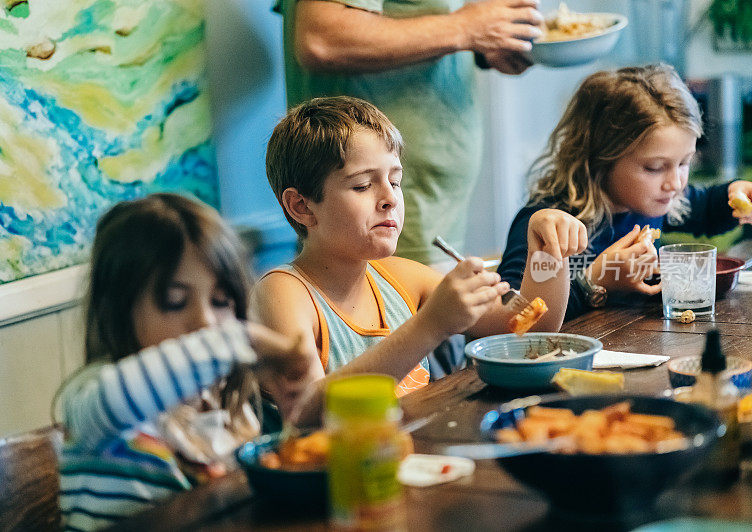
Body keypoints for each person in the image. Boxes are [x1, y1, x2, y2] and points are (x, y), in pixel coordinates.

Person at [251, 96, 585, 421]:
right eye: (363, 186)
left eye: (394, 181)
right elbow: (305, 412)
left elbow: (528, 326)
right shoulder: (283, 294)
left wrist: (545, 250)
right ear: (301, 206)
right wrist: (430, 326)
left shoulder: (401, 278)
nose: (389, 199)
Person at [55, 193, 310, 531]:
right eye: (174, 302)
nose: (205, 322)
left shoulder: (224, 405)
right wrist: (247, 340)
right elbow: (120, 397)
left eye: (221, 301)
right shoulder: (94, 399)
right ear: (118, 311)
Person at [274, 0, 543, 266]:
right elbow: (321, 38)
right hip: (381, 208)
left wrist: (485, 46)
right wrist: (466, 28)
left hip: (427, 204)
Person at [498, 64, 752, 321]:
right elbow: (513, 313)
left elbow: (706, 208)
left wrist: (734, 195)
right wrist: (594, 280)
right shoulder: (549, 223)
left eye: (684, 162)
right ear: (600, 159)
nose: (675, 183)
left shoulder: (649, 199)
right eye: (654, 168)